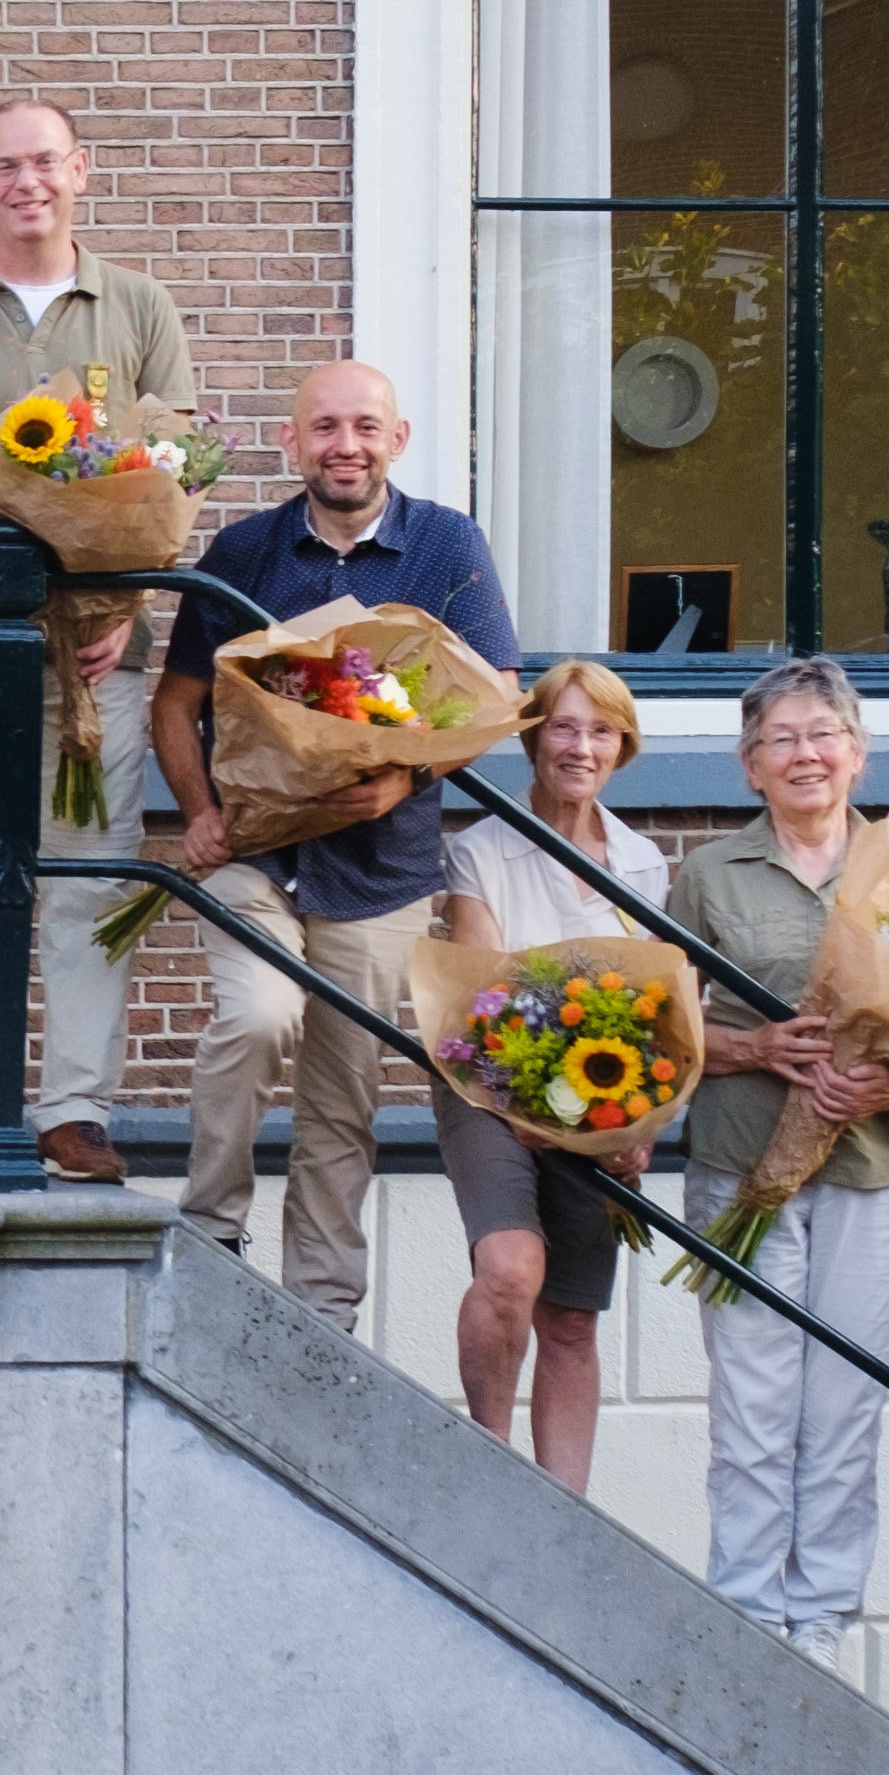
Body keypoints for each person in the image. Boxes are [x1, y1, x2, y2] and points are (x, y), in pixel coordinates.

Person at [660, 658, 889, 1668]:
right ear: (749, 767)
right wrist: (752, 1047)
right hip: (739, 1165)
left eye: (824, 733)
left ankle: (818, 1624)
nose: (805, 753)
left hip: (873, 1171)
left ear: (856, 754)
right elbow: (667, 1022)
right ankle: (747, 1614)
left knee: (844, 1398)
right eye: (782, 738)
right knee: (754, 1397)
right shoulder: (708, 874)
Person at [153, 362, 521, 1315]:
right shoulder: (243, 552)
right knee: (259, 1014)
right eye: (323, 427)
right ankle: (209, 1230)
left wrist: (411, 774)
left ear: (397, 440)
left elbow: (498, 699)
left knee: (342, 1096)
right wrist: (198, 811)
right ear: (293, 443)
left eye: (364, 426)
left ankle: (325, 1306)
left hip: (383, 871)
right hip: (255, 852)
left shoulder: (449, 547)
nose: (343, 444)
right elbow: (176, 704)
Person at [0, 99, 201, 1184]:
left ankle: (74, 1106)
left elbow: (173, 470)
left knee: (85, 880)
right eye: (5, 165)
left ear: (81, 172)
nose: (28, 181)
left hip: (97, 660)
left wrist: (116, 609)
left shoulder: (140, 306)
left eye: (46, 162)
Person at [426, 662, 671, 1493]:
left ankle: (564, 1512)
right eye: (563, 728)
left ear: (622, 747)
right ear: (531, 738)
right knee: (510, 1272)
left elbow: (657, 1013)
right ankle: (492, 1471)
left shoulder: (641, 864)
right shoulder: (482, 849)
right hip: (487, 1090)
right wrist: (537, 1111)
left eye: (600, 731)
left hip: (596, 1108)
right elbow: (478, 993)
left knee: (570, 1317)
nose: (580, 747)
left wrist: (638, 1126)